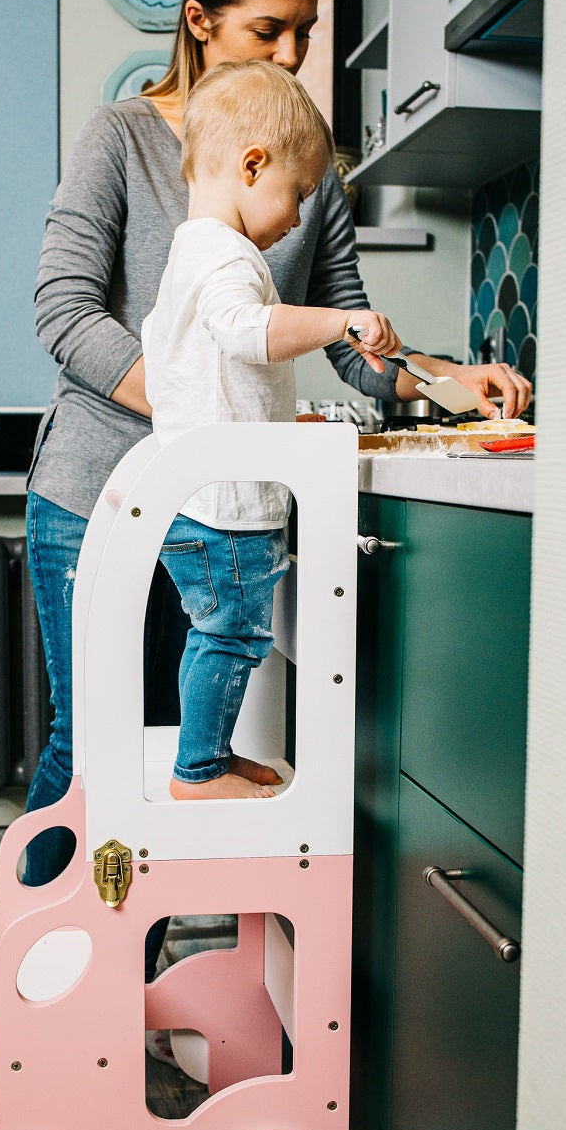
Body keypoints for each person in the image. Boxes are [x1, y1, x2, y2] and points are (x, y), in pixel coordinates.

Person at [25, 0, 532, 941]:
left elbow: (344, 335)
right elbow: (65, 313)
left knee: (186, 750)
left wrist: (440, 379)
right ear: (203, 20)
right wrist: (195, 419)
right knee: (95, 746)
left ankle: (139, 987)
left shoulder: (306, 161)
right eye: (271, 31)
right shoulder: (121, 138)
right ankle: (46, 972)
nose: (298, 54)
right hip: (99, 493)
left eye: (307, 29)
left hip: (220, 504)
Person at [143, 58, 400, 800]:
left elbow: (189, 367)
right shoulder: (224, 255)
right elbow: (243, 332)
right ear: (251, 164)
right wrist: (342, 319)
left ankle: (209, 757)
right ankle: (197, 771)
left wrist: (275, 415)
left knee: (222, 632)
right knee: (233, 634)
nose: (295, 218)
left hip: (200, 497)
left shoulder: (190, 252)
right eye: (295, 193)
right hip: (225, 506)